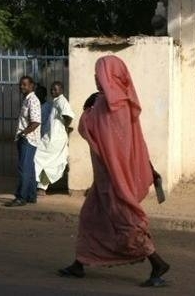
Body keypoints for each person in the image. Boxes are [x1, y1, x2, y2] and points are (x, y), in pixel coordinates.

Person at [58, 55, 170, 287]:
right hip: (111, 176)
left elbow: (85, 128)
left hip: (112, 178)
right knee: (90, 218)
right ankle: (80, 262)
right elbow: (134, 140)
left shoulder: (104, 105)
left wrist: (87, 108)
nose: (96, 78)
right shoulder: (126, 102)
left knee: (126, 221)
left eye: (99, 74)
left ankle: (156, 261)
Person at [5, 76, 41, 207]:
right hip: (25, 138)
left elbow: (36, 122)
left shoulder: (33, 100)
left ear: (32, 86)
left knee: (23, 168)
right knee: (29, 169)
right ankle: (31, 196)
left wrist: (24, 133)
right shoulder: (27, 100)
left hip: (28, 139)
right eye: (21, 85)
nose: (22, 87)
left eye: (25, 85)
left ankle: (21, 197)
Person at [35, 81, 74, 196]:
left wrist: (64, 129)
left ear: (61, 90)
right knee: (43, 161)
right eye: (52, 89)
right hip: (49, 138)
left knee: (44, 160)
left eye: (55, 89)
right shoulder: (56, 102)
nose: (53, 91)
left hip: (55, 140)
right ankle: (40, 186)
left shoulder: (62, 101)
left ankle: (42, 188)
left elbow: (68, 116)